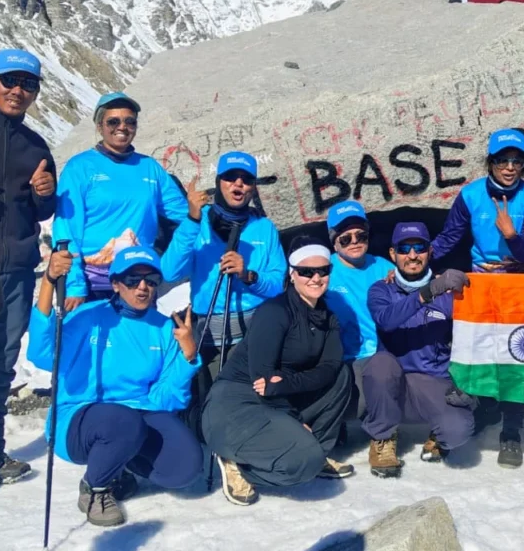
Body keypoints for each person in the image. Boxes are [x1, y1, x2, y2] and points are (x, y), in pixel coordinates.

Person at [27, 246, 202, 527]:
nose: (142, 287)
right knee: (123, 422)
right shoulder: (89, 316)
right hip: (78, 418)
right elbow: (42, 353)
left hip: (136, 416)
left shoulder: (166, 329)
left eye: (151, 280)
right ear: (116, 284)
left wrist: (188, 357)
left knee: (185, 467)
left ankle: (120, 463)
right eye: (132, 279)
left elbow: (167, 399)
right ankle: (95, 488)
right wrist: (49, 281)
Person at [202, 237, 353, 506]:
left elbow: (330, 368)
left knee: (342, 376)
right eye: (306, 271)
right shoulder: (274, 312)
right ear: (292, 274)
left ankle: (315, 451)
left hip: (278, 393)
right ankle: (238, 463)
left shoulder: (327, 317)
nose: (316, 278)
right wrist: (290, 413)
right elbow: (262, 379)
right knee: (303, 463)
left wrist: (288, 384)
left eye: (323, 271)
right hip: (238, 402)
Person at [430, 129, 524, 468]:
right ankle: (481, 411)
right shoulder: (470, 194)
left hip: (517, 284)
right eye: (502, 160)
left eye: (517, 161)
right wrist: (416, 263)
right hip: (480, 284)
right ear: (490, 162)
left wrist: (511, 234)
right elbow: (449, 238)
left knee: (515, 356)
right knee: (475, 351)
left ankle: (511, 431)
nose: (509, 168)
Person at [161, 151, 287, 434]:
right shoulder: (198, 222)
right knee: (209, 407)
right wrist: (192, 221)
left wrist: (248, 275)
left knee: (249, 402)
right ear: (219, 182)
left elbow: (278, 283)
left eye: (246, 179)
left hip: (253, 331)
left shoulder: (263, 228)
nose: (238, 184)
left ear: (253, 188)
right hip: (209, 333)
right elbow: (169, 271)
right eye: (230, 177)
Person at [0, 49, 56, 485]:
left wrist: (44, 193)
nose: (17, 90)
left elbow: (43, 209)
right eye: (9, 80)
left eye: (27, 84)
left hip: (13, 270)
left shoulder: (36, 146)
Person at [53, 92, 188, 307]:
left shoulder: (150, 168)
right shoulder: (79, 167)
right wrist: (74, 285)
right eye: (113, 121)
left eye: (130, 121)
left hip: (139, 284)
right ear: (99, 126)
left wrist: (222, 218)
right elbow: (66, 229)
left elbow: (185, 214)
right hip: (92, 285)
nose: (122, 127)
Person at [362, 223, 475, 478]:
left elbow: (472, 338)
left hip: (433, 382)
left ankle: (439, 434)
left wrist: (468, 385)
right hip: (394, 384)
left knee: (458, 432)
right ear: (393, 254)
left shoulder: (449, 292)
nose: (412, 255)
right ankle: (383, 439)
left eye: (419, 248)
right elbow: (387, 320)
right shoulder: (381, 289)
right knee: (379, 364)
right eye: (404, 249)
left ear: (430, 251)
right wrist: (429, 291)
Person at [324, 200, 392, 419]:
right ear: (334, 242)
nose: (354, 242)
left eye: (361, 235)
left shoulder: (384, 267)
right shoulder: (322, 270)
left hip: (383, 353)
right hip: (345, 358)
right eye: (345, 238)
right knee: (359, 407)